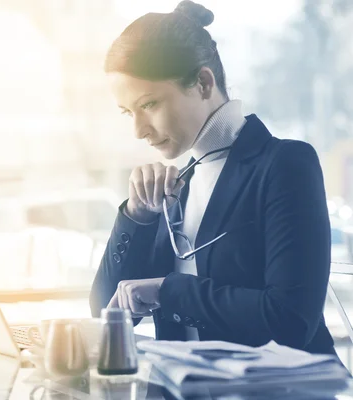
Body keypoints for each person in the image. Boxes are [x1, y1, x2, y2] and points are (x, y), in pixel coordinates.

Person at [89, 0, 337, 356]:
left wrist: (167, 291)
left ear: (203, 83)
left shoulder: (285, 164)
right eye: (127, 112)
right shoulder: (177, 185)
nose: (138, 131)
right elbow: (106, 314)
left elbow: (291, 320)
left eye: (149, 105)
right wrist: (137, 217)